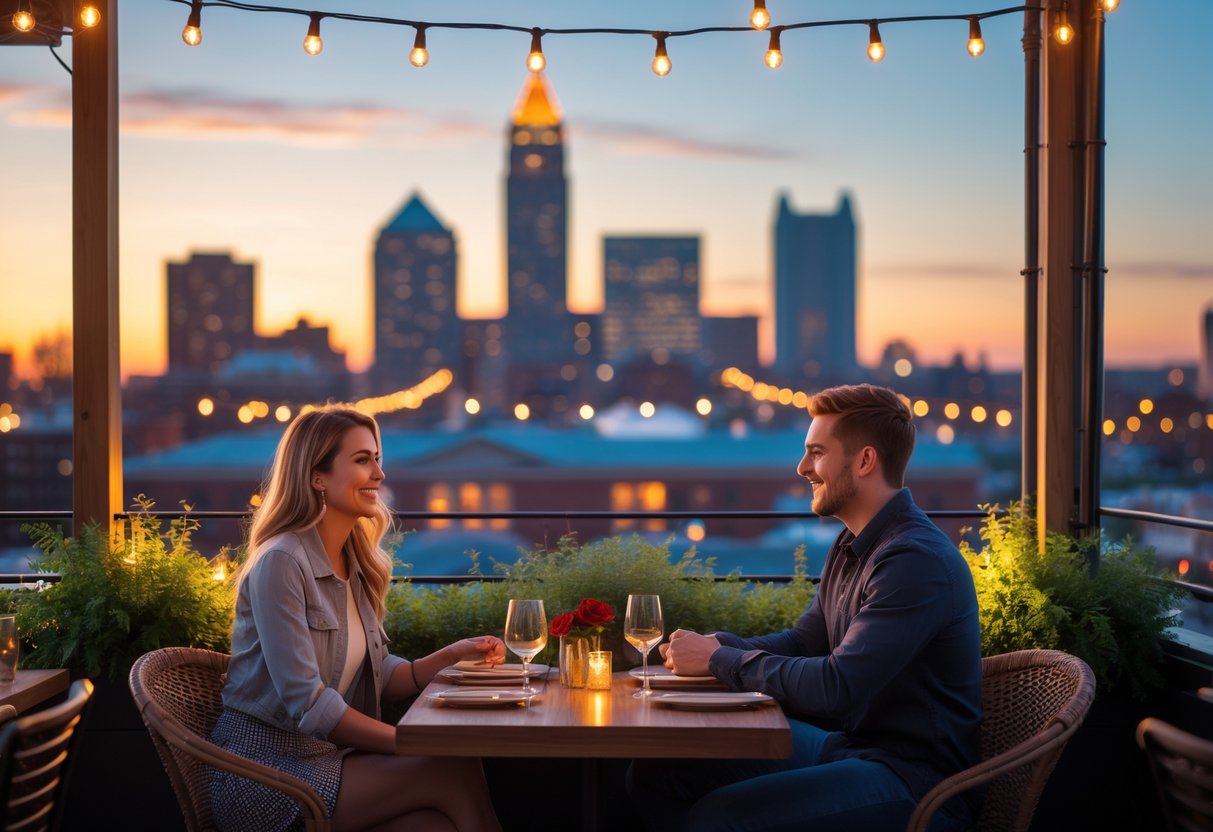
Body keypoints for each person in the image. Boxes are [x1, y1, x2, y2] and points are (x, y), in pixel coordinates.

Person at [627, 384, 982, 832]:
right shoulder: (853, 542)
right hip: (848, 748)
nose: (802, 468)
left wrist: (721, 660)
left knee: (723, 818)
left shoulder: (915, 561)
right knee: (658, 771)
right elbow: (804, 642)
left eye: (816, 453)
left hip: (914, 782)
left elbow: (837, 685)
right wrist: (719, 646)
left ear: (865, 461)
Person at [210, 404, 504, 832]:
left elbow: (377, 673)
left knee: (432, 825)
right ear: (317, 476)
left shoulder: (355, 561)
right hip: (267, 775)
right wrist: (408, 743)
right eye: (363, 460)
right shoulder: (281, 562)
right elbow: (307, 704)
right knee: (450, 768)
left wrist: (450, 656)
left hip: (327, 761)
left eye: (377, 459)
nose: (379, 475)